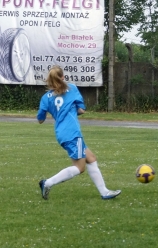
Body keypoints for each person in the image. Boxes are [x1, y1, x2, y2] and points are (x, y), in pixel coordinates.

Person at [37, 65, 121, 200]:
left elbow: (40, 119)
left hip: (62, 133)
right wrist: (71, 110)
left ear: (49, 80)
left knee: (91, 158)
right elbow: (81, 110)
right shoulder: (72, 88)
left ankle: (104, 192)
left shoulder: (45, 98)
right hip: (72, 133)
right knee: (79, 168)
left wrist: (56, 112)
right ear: (63, 77)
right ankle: (47, 183)